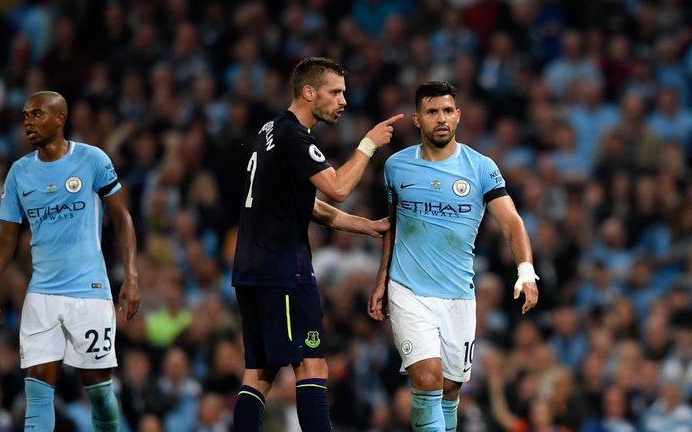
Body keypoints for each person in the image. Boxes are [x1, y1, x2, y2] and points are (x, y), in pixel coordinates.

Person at [231, 56, 402, 431]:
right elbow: (338, 189)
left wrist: (367, 226)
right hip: (283, 269)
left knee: (259, 372)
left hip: (249, 268)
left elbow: (309, 206)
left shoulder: (269, 130)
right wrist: (369, 145)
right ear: (309, 92)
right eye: (335, 92)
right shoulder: (294, 135)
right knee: (312, 365)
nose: (343, 100)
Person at [367, 81, 539, 432]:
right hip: (408, 290)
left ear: (458, 116)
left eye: (447, 111)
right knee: (428, 378)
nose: (441, 118)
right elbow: (394, 227)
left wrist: (525, 270)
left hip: (459, 296)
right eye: (432, 112)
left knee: (449, 389)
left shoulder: (480, 167)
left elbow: (511, 222)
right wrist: (382, 279)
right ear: (418, 119)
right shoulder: (397, 167)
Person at [0, 91, 139, 432]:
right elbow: (6, 236)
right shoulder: (19, 173)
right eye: (25, 115)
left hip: (90, 290)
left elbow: (122, 218)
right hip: (42, 293)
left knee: (97, 388)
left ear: (59, 118)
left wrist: (132, 276)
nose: (28, 122)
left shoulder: (92, 159)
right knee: (37, 385)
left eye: (37, 114)